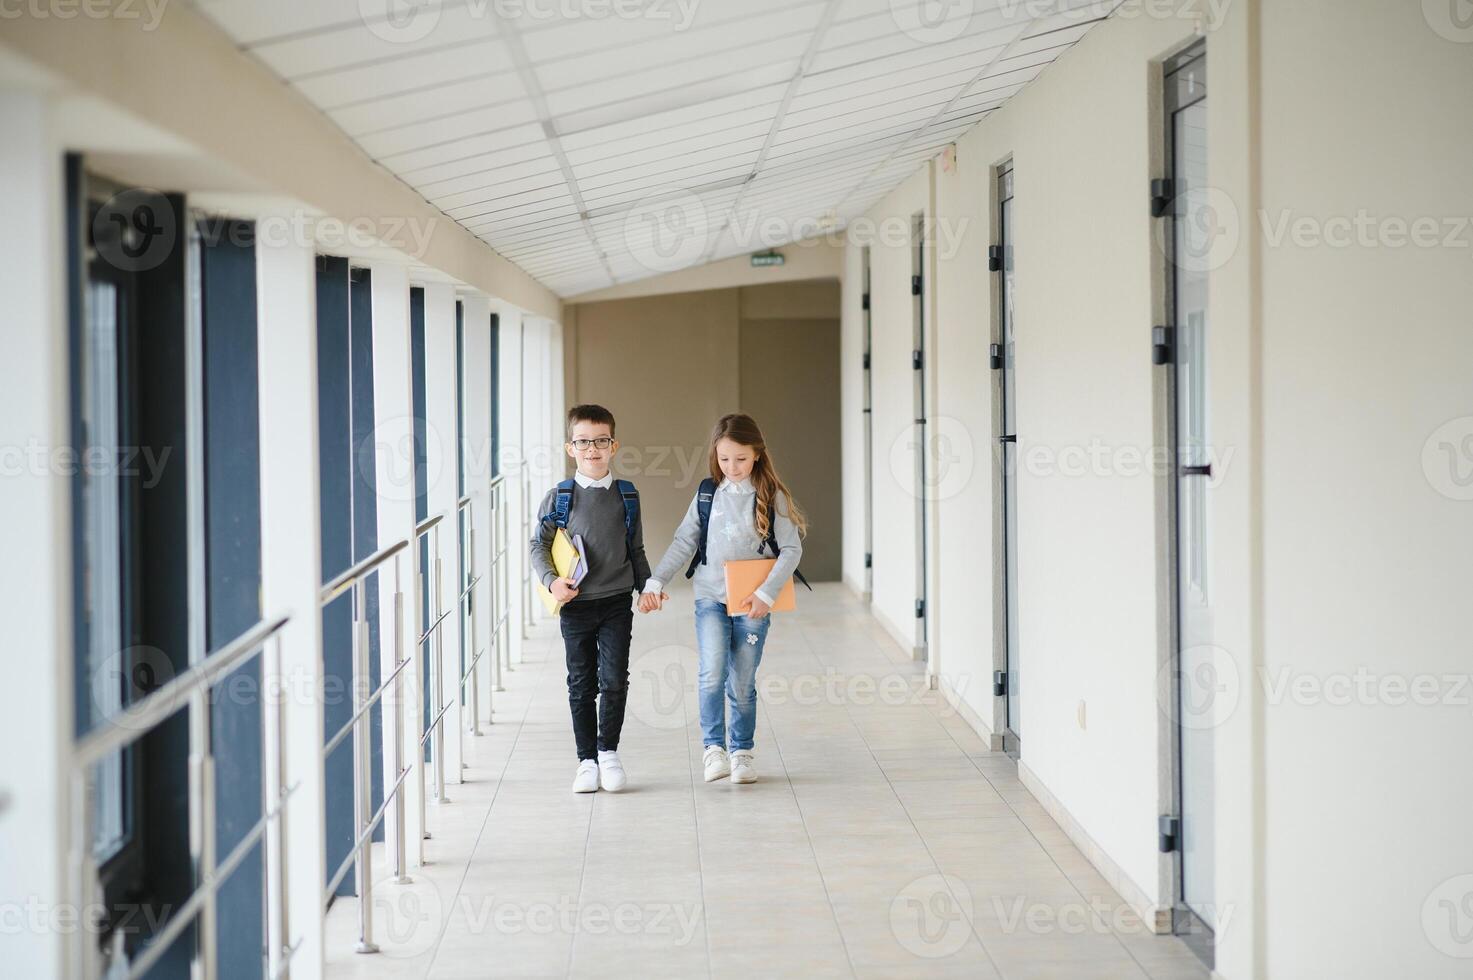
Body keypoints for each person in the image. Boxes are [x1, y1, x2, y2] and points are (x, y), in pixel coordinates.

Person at [641, 413, 806, 785]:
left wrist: (766, 593)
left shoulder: (771, 496)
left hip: (753, 604)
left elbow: (791, 550)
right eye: (724, 458)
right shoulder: (707, 494)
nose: (732, 467)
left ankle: (742, 753)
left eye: (741, 459)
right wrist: (656, 580)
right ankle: (713, 749)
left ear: (758, 456)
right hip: (711, 598)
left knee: (742, 680)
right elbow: (685, 540)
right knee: (711, 673)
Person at [530, 404, 650, 793]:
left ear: (613, 445)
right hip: (576, 605)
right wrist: (551, 583)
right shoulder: (560, 498)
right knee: (581, 682)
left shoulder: (626, 496)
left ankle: (608, 752)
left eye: (600, 441)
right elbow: (539, 546)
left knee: (614, 679)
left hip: (616, 601)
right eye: (583, 442)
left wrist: (647, 587)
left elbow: (637, 549)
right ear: (571, 448)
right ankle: (586, 760)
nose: (592, 449)